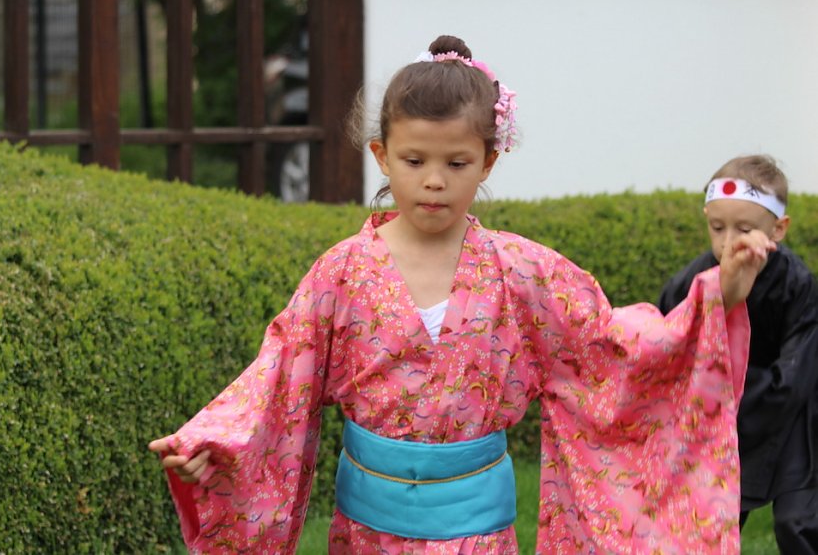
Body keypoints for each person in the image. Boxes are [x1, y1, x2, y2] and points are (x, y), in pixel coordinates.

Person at [149, 35, 775, 554]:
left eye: (456, 163)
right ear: (382, 156)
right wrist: (219, 448)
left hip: (478, 534)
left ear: (488, 163)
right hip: (367, 534)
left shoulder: (523, 270)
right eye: (414, 159)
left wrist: (719, 293)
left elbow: (611, 351)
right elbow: (280, 379)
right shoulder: (341, 272)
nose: (433, 181)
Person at [658, 155, 818, 554]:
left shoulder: (799, 286)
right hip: (718, 418)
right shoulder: (691, 283)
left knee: (798, 522)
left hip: (791, 416)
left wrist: (733, 395)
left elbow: (797, 375)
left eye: (744, 228)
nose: (729, 241)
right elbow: (666, 351)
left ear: (778, 229)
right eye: (717, 227)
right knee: (706, 521)